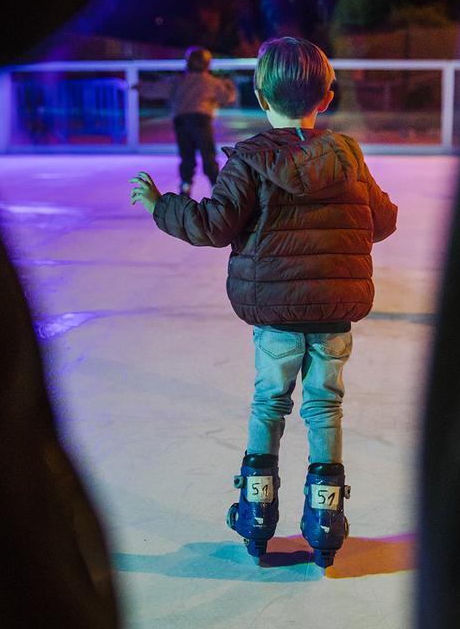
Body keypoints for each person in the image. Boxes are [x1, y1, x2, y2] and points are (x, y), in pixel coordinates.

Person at [129, 37, 397, 567]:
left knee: (269, 402)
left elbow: (213, 224)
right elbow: (383, 221)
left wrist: (163, 205)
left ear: (258, 93)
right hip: (334, 313)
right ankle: (325, 515)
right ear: (327, 96)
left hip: (274, 316)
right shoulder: (347, 154)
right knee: (325, 406)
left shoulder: (252, 157)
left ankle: (257, 508)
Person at [169, 45, 237, 195]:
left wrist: (137, 86)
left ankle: (185, 187)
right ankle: (216, 189)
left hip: (181, 121)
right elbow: (226, 98)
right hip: (201, 121)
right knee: (208, 156)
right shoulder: (211, 82)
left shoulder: (179, 81)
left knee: (187, 158)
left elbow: (157, 88)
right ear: (207, 64)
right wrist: (230, 87)